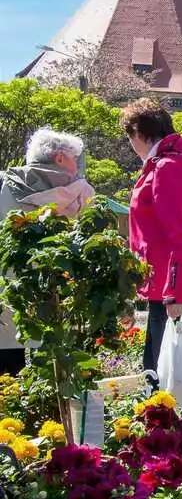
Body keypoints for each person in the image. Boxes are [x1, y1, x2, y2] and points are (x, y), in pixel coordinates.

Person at [120, 98, 182, 380]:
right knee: (162, 369)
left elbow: (181, 234)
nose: (131, 145)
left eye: (130, 137)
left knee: (162, 373)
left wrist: (175, 292)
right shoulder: (168, 163)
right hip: (166, 284)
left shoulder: (167, 167)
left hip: (169, 287)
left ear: (139, 132)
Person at [0, 128, 95, 375]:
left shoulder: (5, 184)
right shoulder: (78, 193)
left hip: (9, 289)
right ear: (60, 158)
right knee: (54, 365)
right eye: (75, 158)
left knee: (7, 366)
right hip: (55, 288)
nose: (77, 166)